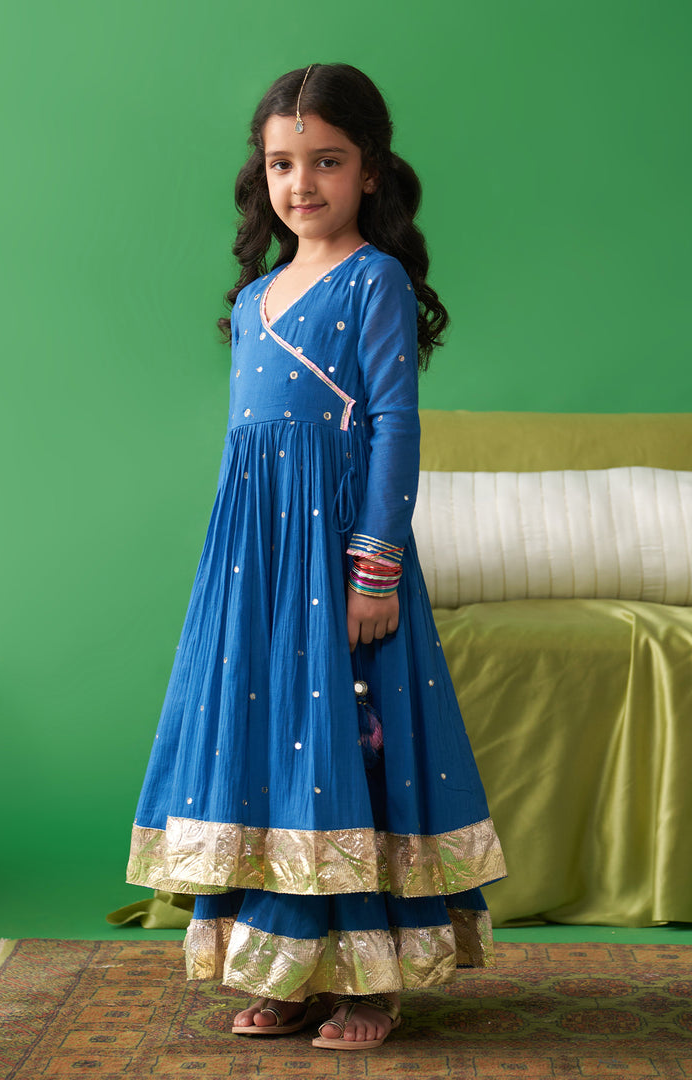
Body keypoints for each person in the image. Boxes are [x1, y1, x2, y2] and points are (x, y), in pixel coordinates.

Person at [125, 62, 506, 1051]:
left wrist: (374, 568)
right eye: (283, 163)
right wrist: (232, 579)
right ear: (263, 175)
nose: (303, 183)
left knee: (349, 746)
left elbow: (394, 426)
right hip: (255, 568)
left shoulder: (374, 281)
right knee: (267, 753)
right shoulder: (256, 297)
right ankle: (285, 969)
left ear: (370, 170)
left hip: (336, 558)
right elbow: (249, 453)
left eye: (327, 161)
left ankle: (366, 986)